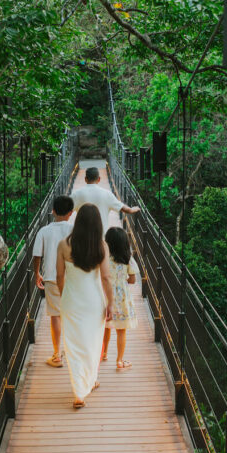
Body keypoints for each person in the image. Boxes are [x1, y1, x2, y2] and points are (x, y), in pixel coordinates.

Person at [56, 204, 114, 409]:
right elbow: (106, 278)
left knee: (73, 345)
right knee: (92, 343)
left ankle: (80, 389)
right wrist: (111, 303)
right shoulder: (102, 246)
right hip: (93, 302)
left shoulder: (63, 245)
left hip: (71, 301)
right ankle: (85, 385)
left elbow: (59, 277)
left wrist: (65, 297)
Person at [32, 195, 75, 368]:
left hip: (51, 276)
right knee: (73, 315)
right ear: (71, 213)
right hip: (72, 277)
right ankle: (74, 352)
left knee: (56, 315)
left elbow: (37, 255)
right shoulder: (75, 229)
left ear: (53, 211)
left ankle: (57, 355)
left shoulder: (44, 231)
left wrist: (37, 273)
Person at [101, 227, 138, 370]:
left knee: (106, 327)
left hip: (106, 296)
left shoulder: (104, 259)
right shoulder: (127, 258)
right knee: (121, 330)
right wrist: (123, 281)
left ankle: (104, 353)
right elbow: (133, 280)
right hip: (122, 299)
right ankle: (119, 360)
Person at [71, 166, 140, 233]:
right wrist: (134, 209)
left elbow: (65, 210)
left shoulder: (76, 194)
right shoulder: (107, 194)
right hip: (101, 236)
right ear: (99, 179)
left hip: (82, 236)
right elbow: (125, 209)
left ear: (85, 179)